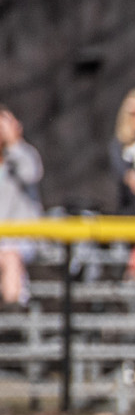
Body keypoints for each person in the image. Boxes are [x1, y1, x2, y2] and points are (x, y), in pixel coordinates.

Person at [0, 106, 43, 308]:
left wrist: (13, 142)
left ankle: (12, 317)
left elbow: (30, 174)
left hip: (22, 238)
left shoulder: (25, 155)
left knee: (10, 256)